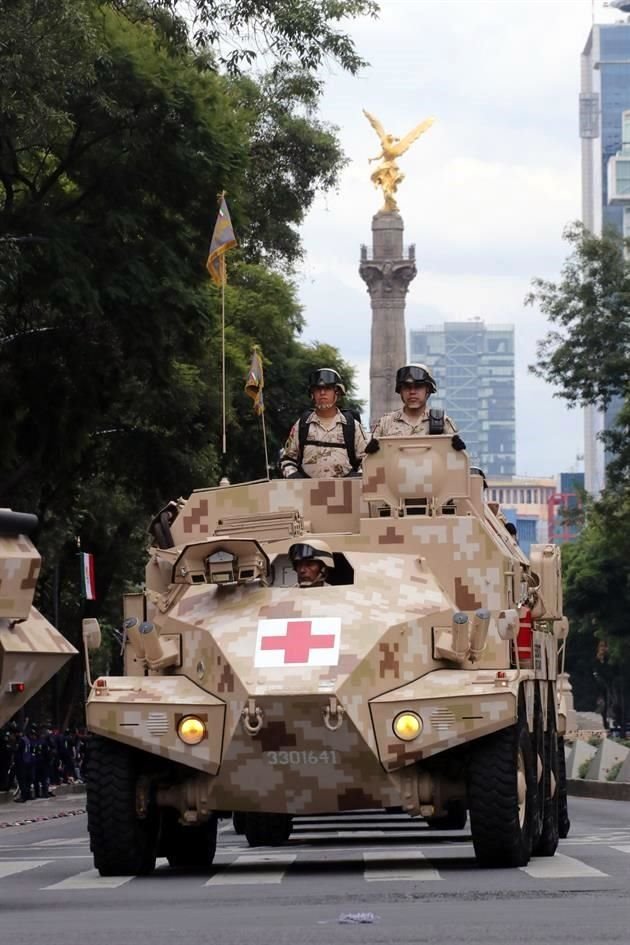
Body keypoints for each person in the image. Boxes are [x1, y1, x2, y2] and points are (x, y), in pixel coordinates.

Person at [280, 368, 367, 479]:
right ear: (312, 394)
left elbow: (366, 460)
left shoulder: (352, 426)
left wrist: (357, 479)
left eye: (328, 388)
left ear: (337, 392)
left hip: (344, 493)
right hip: (307, 492)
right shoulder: (302, 424)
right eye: (317, 389)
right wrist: (293, 476)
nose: (322, 393)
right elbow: (287, 459)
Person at [368, 363, 463, 448]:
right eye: (407, 387)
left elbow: (456, 462)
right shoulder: (386, 423)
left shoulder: (442, 422)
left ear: (428, 390)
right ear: (400, 391)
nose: (412, 392)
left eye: (418, 387)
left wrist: (455, 450)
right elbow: (368, 461)